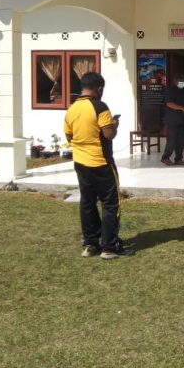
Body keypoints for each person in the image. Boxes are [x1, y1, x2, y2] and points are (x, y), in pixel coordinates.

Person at [64, 72, 133, 259]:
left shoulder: (72, 109)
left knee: (87, 202)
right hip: (101, 163)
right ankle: (110, 247)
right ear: (99, 88)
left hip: (81, 163)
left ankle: (90, 244)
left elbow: (69, 136)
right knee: (111, 203)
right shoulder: (100, 107)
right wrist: (114, 124)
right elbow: (109, 134)